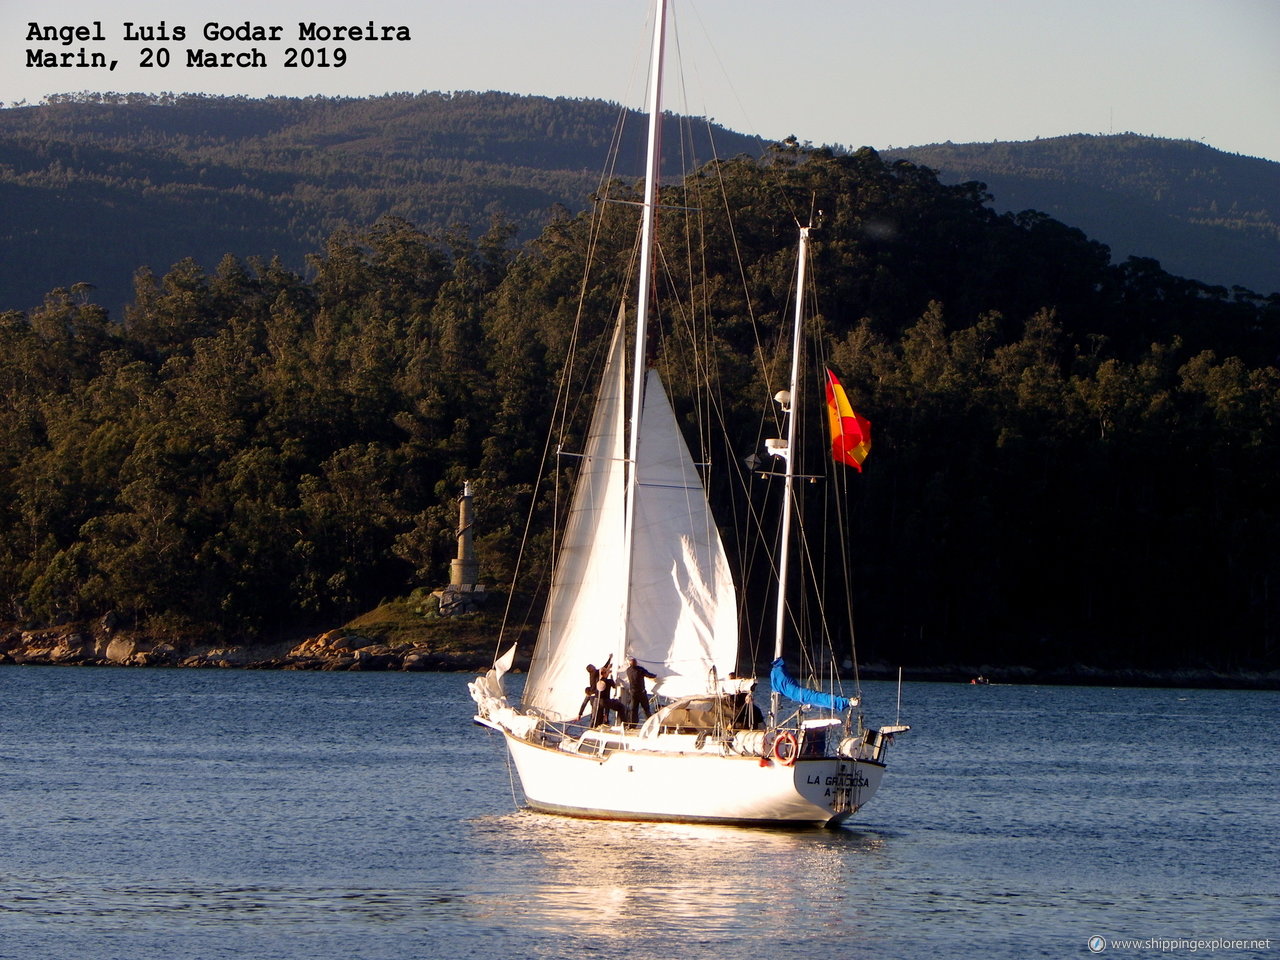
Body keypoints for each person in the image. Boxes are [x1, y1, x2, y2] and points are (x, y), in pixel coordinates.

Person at [624, 656, 657, 724]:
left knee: (634, 710)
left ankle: (633, 724)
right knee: (646, 709)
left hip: (633, 693)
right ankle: (649, 723)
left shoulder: (628, 670)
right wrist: (656, 676)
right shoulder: (640, 670)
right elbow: (649, 675)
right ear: (636, 663)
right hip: (641, 693)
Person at [591, 662, 624, 727]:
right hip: (605, 701)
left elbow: (603, 673)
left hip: (596, 700)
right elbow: (614, 686)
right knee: (621, 707)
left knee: (595, 717)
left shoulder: (597, 679)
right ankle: (624, 724)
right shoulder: (609, 681)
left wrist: (608, 669)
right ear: (605, 673)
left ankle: (592, 728)